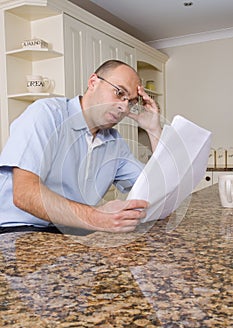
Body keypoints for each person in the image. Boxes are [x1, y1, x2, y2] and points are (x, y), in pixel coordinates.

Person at [0, 59, 161, 234]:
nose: (123, 106)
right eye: (119, 92)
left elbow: (157, 188)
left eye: (131, 102)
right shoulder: (46, 114)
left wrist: (153, 129)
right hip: (18, 232)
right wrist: (98, 217)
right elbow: (24, 194)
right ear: (93, 82)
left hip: (73, 231)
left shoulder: (115, 144)